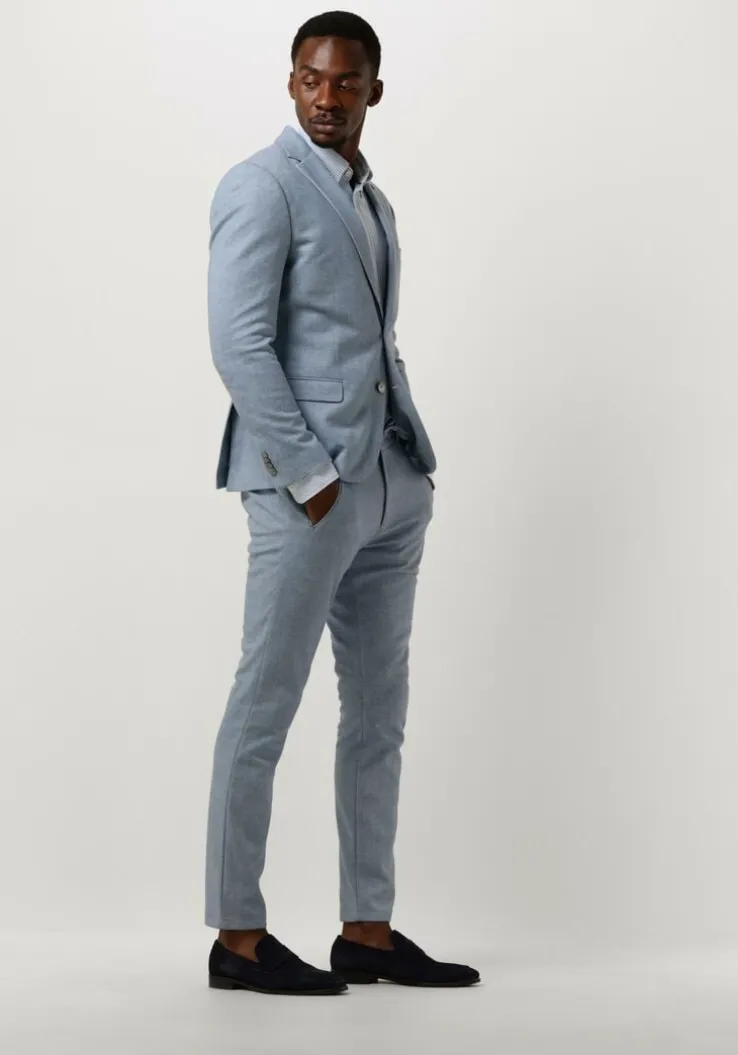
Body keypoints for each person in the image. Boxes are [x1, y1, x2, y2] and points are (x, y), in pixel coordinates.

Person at [204, 10, 480, 995]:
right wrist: (313, 475)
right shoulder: (261, 185)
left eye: (347, 82)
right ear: (291, 83)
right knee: (264, 704)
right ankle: (238, 936)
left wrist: (409, 465)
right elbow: (239, 344)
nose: (328, 98)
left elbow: (370, 340)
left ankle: (367, 927)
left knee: (377, 716)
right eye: (311, 79)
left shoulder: (373, 198)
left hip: (390, 485)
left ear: (374, 90)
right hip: (306, 491)